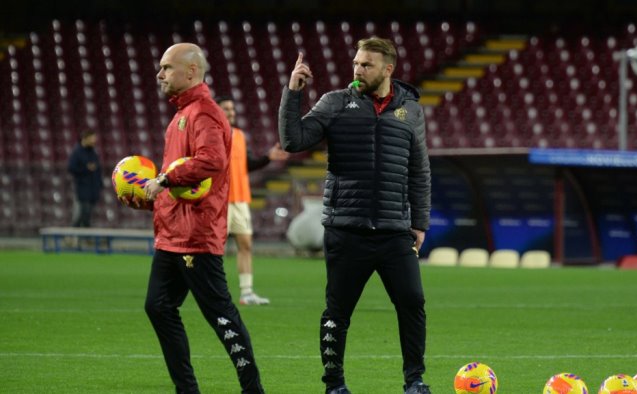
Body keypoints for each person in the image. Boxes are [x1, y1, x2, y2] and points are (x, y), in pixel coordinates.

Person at [278, 37, 432, 394]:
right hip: (347, 229)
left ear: (388, 69)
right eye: (356, 63)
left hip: (395, 230)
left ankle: (415, 381)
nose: (358, 70)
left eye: (367, 65)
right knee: (338, 311)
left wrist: (419, 222)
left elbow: (419, 169)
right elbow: (292, 140)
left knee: (412, 303)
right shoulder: (335, 103)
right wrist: (293, 93)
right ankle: (334, 384)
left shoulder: (411, 110)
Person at [120, 43, 265, 394]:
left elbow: (212, 160)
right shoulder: (181, 115)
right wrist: (152, 198)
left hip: (196, 237)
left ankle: (253, 389)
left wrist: (165, 181)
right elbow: (180, 178)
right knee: (157, 307)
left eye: (167, 67)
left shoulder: (205, 113)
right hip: (172, 234)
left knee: (221, 316)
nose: (160, 74)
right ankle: (187, 389)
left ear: (191, 72)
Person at [215, 96, 290, 306]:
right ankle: (214, 293)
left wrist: (268, 157)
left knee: (245, 244)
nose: (231, 112)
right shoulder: (211, 135)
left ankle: (246, 293)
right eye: (226, 109)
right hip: (218, 201)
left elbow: (247, 164)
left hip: (239, 199)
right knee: (214, 249)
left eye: (232, 108)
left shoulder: (239, 135)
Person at [68, 130, 102, 227]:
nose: (94, 141)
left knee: (87, 216)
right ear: (85, 138)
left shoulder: (93, 152)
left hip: (92, 189)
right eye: (92, 138)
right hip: (82, 189)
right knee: (80, 215)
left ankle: (85, 239)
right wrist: (86, 168)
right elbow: (71, 168)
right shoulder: (77, 152)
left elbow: (97, 169)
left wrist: (99, 184)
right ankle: (73, 237)